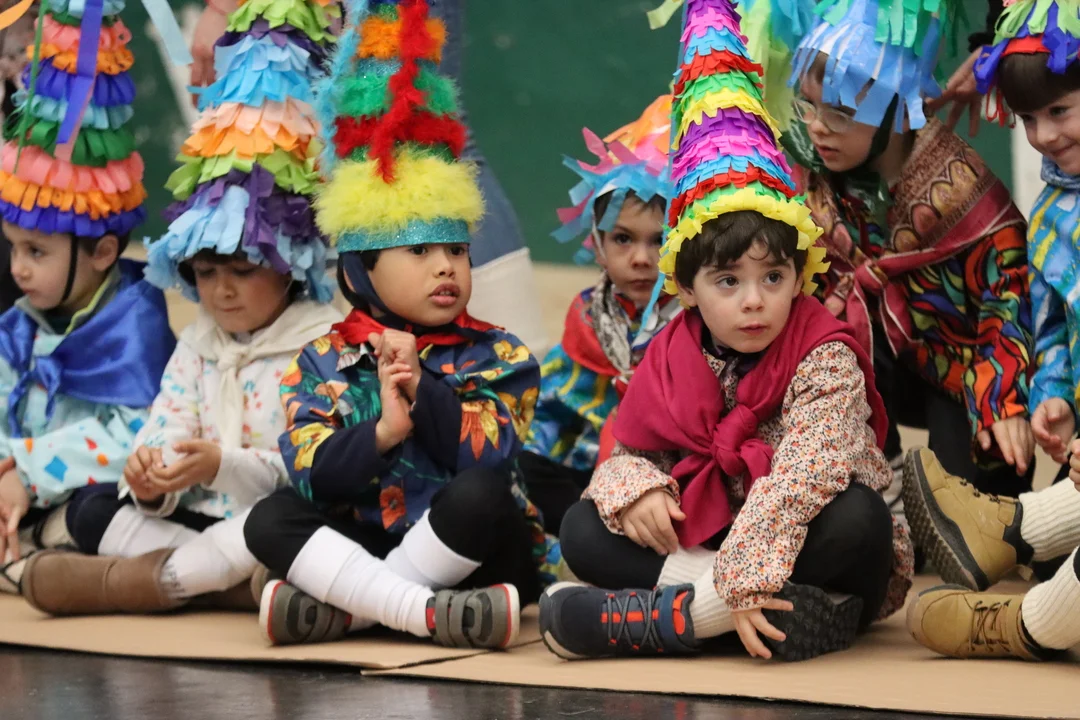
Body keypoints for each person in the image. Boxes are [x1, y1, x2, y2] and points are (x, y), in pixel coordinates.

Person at [539, 0, 911, 663]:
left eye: (774, 277)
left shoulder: (824, 353)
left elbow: (803, 478)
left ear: (799, 276)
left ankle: (683, 618)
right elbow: (628, 453)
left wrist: (737, 581)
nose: (754, 302)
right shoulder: (671, 350)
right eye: (728, 281)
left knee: (860, 519)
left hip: (798, 529)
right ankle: (755, 617)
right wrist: (639, 493)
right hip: (719, 540)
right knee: (583, 527)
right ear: (687, 288)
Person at [15, 0, 342, 616]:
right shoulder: (198, 343)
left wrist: (220, 465)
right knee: (92, 508)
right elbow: (166, 426)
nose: (221, 291)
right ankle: (224, 585)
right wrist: (152, 477)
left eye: (242, 272)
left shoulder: (322, 345)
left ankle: (151, 584)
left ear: (287, 266)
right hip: (201, 525)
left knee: (286, 522)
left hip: (271, 517)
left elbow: (313, 470)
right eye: (206, 274)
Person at [240, 0, 545, 650]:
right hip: (370, 540)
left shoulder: (501, 354)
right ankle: (422, 612)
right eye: (420, 251)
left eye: (457, 250)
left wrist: (421, 387)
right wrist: (381, 435)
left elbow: (485, 455)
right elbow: (313, 473)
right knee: (269, 519)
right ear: (359, 271)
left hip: (468, 549)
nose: (446, 267)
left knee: (483, 498)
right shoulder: (322, 362)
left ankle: (355, 609)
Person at [784, 0, 1035, 498]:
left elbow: (1010, 300)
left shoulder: (966, 195)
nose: (817, 127)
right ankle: (881, 480)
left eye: (841, 112)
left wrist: (1001, 399)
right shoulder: (812, 184)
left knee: (975, 491)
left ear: (899, 112)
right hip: (876, 363)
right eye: (809, 106)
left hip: (961, 371)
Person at [904, 0, 1080, 661]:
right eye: (1028, 119)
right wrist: (1054, 395)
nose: (1043, 136)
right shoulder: (1056, 209)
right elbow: (1053, 321)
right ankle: (1009, 528)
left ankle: (1023, 618)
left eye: (1059, 110)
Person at [0, 0, 177, 593]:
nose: (18, 269)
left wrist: (26, 471)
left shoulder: (133, 322)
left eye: (36, 252)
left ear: (102, 252)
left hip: (84, 496)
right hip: (22, 492)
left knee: (93, 515)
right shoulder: (19, 325)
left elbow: (137, 436)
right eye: (14, 249)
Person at [520, 96, 678, 534]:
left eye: (659, 240)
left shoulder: (697, 321)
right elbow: (554, 408)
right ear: (598, 243)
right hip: (587, 462)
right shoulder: (589, 315)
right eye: (623, 239)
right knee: (525, 468)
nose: (641, 258)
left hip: (665, 476)